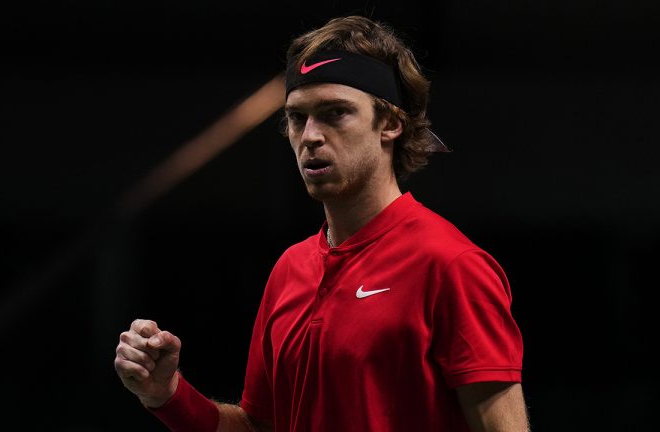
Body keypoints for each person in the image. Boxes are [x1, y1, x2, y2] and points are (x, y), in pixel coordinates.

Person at [114, 15, 529, 432]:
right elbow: (260, 426)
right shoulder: (289, 270)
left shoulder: (452, 265)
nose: (310, 136)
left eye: (336, 113)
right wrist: (166, 394)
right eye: (298, 117)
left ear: (390, 124)